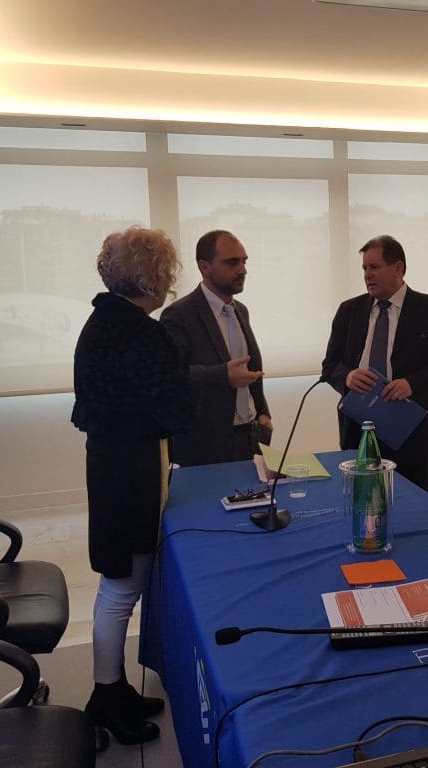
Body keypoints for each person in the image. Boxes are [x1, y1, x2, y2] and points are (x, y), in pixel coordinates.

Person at [72, 226, 193, 744]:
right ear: (153, 276)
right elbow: (175, 408)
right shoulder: (139, 332)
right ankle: (106, 696)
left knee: (119, 584)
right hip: (130, 471)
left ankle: (115, 687)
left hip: (112, 464)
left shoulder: (102, 321)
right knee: (122, 588)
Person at [322, 235, 428, 493]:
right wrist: (348, 377)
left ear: (398, 268)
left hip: (410, 433)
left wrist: (412, 384)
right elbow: (329, 366)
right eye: (364, 268)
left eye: (374, 267)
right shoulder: (349, 311)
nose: (367, 275)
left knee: (412, 505)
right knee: (361, 500)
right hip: (358, 431)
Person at [160, 230, 272, 466]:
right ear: (205, 267)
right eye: (232, 262)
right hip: (204, 446)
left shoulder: (240, 310)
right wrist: (223, 375)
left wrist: (263, 413)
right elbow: (171, 377)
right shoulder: (179, 315)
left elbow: (250, 369)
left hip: (249, 438)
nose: (242, 270)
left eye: (244, 261)